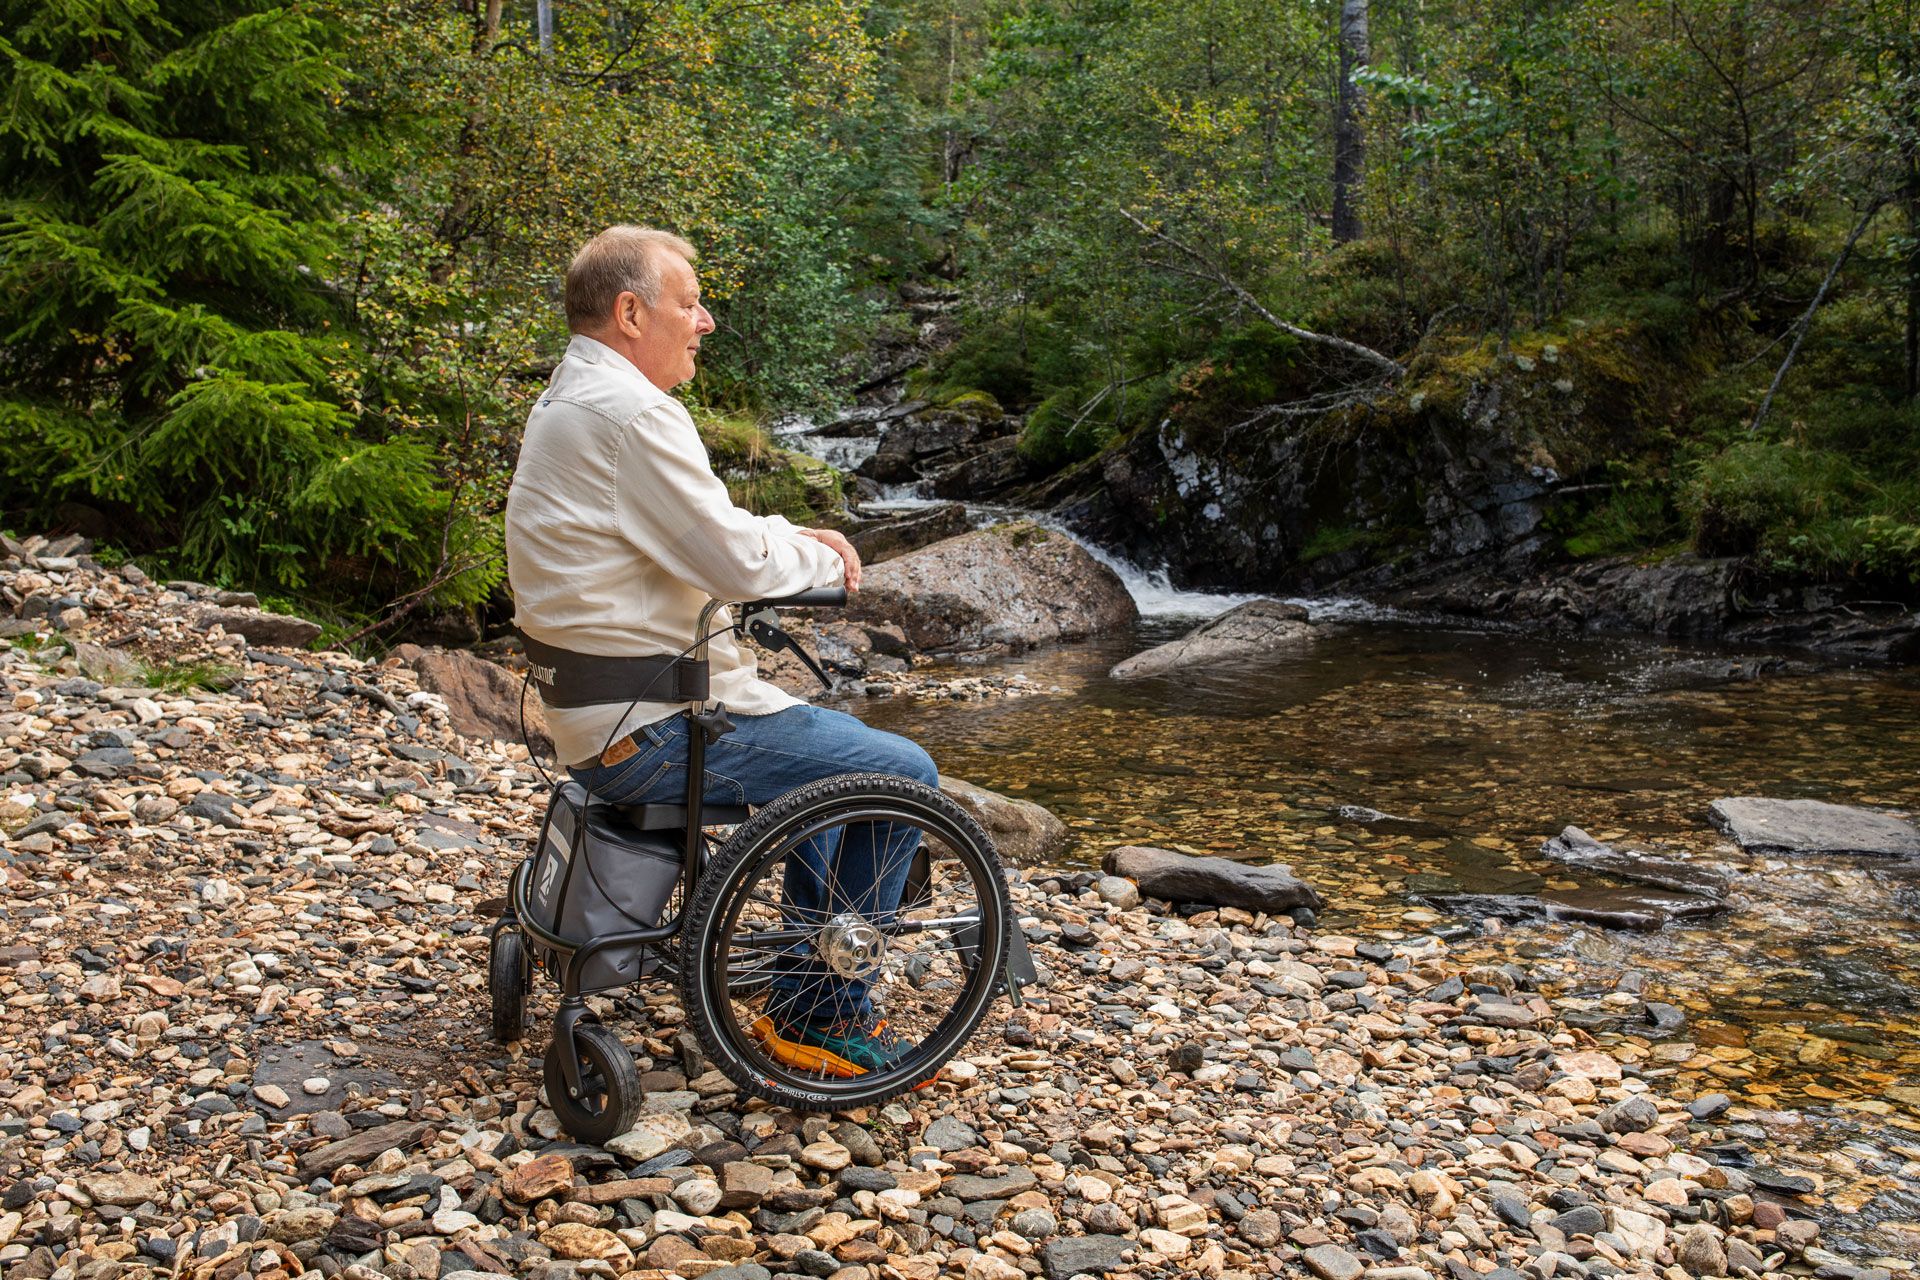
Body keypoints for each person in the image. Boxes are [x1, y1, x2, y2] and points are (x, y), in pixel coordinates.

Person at [504, 226, 934, 1072]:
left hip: (596, 716)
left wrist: (782, 530)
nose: (705, 323)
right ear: (631, 312)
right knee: (902, 772)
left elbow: (707, 528)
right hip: (654, 732)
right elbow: (735, 561)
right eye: (690, 303)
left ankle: (797, 979)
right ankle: (818, 1010)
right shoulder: (632, 415)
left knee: (825, 755)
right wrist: (828, 558)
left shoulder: (572, 400)